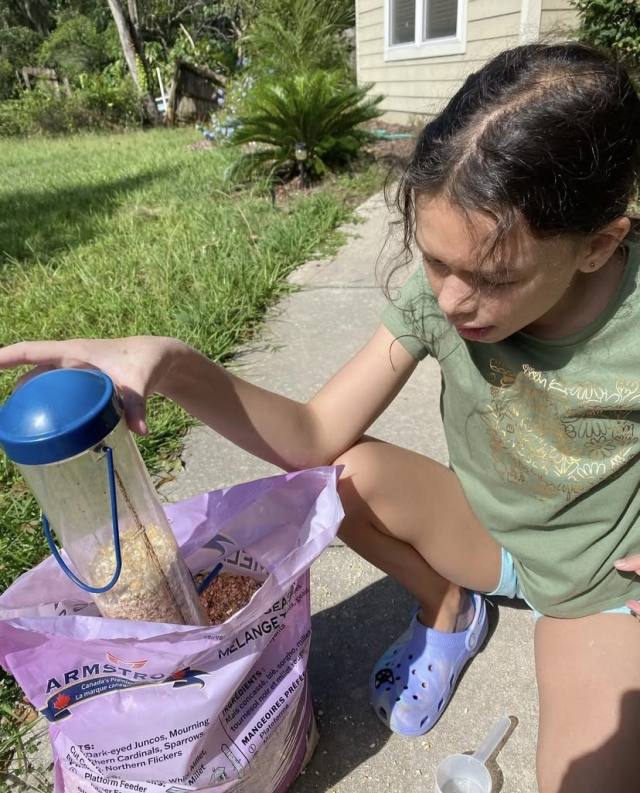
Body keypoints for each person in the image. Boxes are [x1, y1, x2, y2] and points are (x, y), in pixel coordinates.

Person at [1, 41, 639, 792]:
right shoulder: (445, 298)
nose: (451, 300)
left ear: (598, 245)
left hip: (595, 586)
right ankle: (447, 606)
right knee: (339, 476)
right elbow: (312, 434)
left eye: (493, 278)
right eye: (436, 261)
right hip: (486, 533)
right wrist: (172, 364)